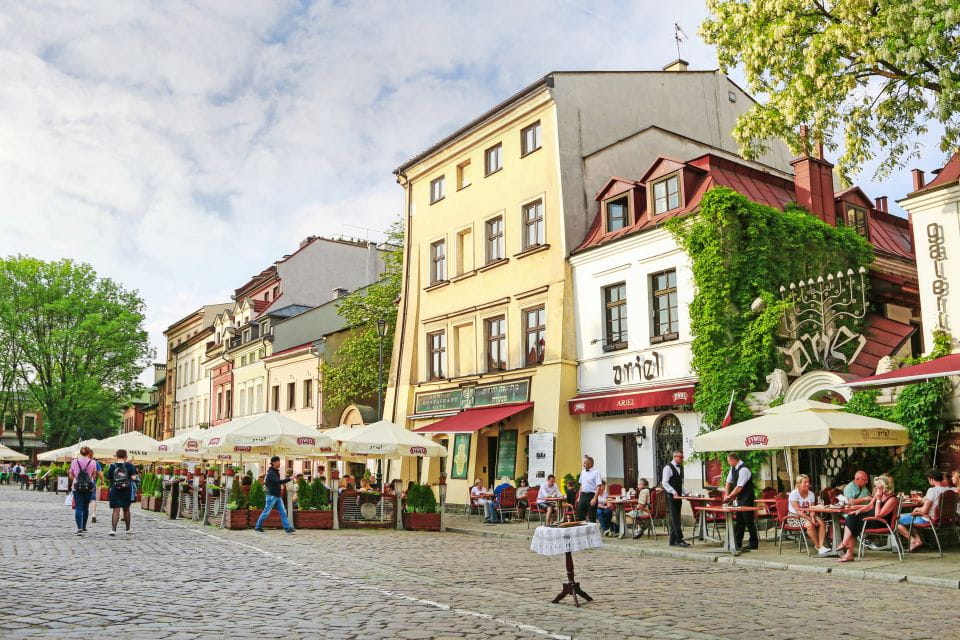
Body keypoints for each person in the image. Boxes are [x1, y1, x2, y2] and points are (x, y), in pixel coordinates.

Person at [836, 476, 898, 562]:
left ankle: (847, 550)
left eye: (879, 487)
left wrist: (879, 500)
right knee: (852, 516)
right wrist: (858, 511)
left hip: (881, 522)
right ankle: (845, 545)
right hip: (870, 519)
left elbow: (878, 515)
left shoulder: (892, 499)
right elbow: (870, 506)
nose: (876, 489)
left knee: (854, 521)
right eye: (876, 487)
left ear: (885, 487)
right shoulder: (879, 494)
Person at [897, 468, 950, 552]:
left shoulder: (932, 490)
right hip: (943, 519)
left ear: (931, 479)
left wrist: (917, 508)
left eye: (928, 479)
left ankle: (913, 541)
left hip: (928, 519)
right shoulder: (948, 490)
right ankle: (918, 540)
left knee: (896, 520)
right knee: (914, 517)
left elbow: (924, 510)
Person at [788, 474, 830, 556]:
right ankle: (818, 547)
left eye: (808, 482)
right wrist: (811, 520)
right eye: (805, 482)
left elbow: (812, 508)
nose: (808, 484)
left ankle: (821, 546)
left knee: (821, 522)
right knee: (809, 525)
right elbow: (798, 511)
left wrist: (812, 516)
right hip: (795, 516)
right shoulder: (794, 494)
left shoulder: (811, 494)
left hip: (808, 515)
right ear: (799, 484)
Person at [724, 452, 759, 552]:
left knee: (748, 520)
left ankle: (753, 543)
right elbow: (728, 482)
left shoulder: (744, 470)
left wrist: (729, 497)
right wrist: (727, 495)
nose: (728, 463)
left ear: (733, 460)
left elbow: (739, 487)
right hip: (740, 498)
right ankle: (737, 542)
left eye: (728, 461)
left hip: (747, 497)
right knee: (739, 520)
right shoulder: (733, 468)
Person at [255, 456, 294, 533]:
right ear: (273, 462)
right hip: (272, 496)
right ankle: (257, 526)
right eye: (278, 462)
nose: (280, 463)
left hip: (277, 496)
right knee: (266, 512)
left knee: (283, 512)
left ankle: (287, 528)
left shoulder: (275, 472)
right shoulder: (271, 473)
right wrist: (289, 478)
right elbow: (277, 481)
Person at [106, 449, 139, 536]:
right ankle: (128, 529)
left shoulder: (112, 466)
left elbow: (109, 478)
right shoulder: (129, 466)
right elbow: (134, 478)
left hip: (115, 489)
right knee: (126, 509)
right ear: (126, 457)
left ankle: (113, 530)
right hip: (126, 490)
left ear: (116, 456)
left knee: (116, 510)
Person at [661, 451, 689, 547]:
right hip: (671, 497)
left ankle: (672, 541)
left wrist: (686, 493)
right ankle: (679, 540)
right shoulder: (668, 468)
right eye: (680, 457)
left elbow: (679, 484)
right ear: (675, 457)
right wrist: (673, 491)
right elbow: (664, 482)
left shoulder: (679, 468)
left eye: (682, 457)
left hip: (678, 497)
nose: (682, 459)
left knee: (675, 518)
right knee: (676, 518)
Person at [68, 446, 98, 535]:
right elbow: (94, 475)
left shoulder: (74, 461)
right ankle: (84, 526)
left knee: (78, 507)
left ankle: (79, 528)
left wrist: (76, 479)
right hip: (89, 487)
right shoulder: (93, 462)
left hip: (77, 486)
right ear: (89, 453)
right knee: (85, 507)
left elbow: (70, 474)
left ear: (80, 453)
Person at [576, 456, 604, 522]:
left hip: (591, 496)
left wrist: (595, 498)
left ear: (590, 464)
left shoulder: (596, 472)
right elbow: (581, 485)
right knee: (580, 516)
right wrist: (579, 497)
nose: (583, 464)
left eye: (585, 463)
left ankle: (592, 532)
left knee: (592, 517)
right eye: (584, 463)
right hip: (583, 495)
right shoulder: (582, 472)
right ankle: (581, 531)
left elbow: (599, 486)